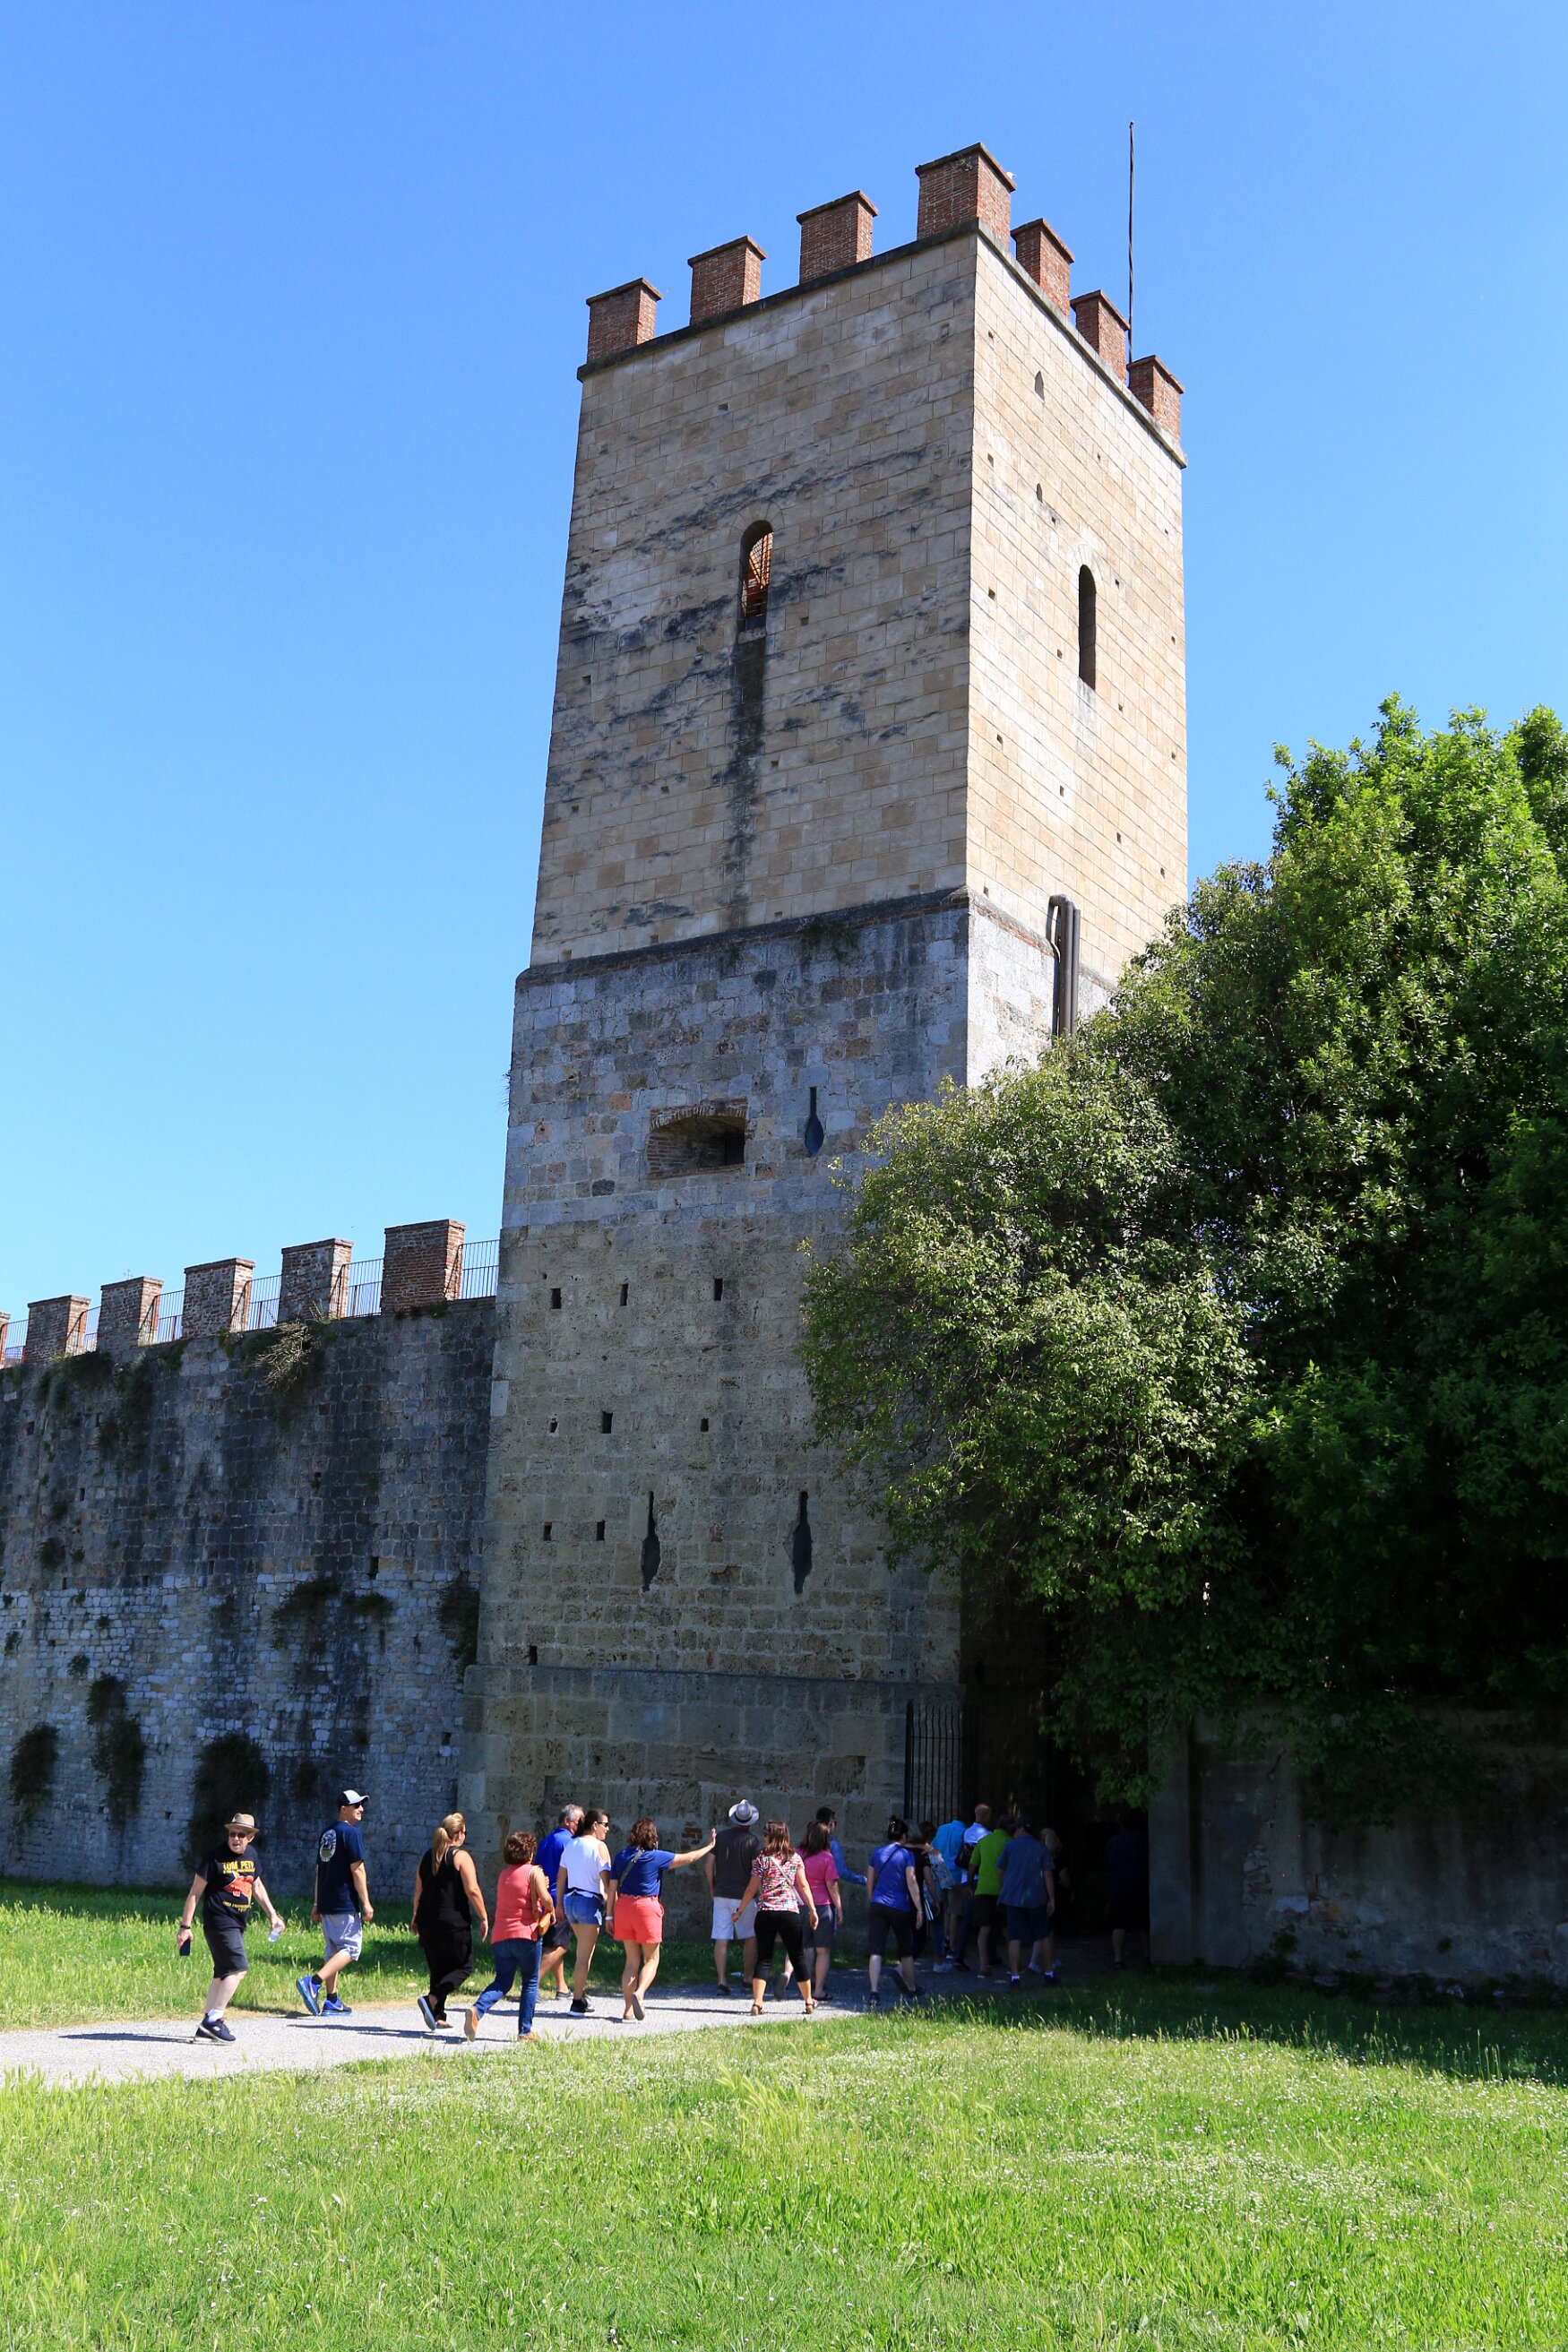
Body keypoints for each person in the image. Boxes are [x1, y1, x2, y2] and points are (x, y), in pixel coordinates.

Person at [177, 1810, 283, 2043]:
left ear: (250, 1837)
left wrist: (273, 1915)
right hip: (219, 1922)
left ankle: (206, 2025)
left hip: (237, 1923)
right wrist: (185, 1926)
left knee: (222, 1974)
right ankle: (214, 2020)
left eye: (241, 1835)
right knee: (238, 1969)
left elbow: (256, 1886)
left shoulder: (251, 1856)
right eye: (232, 1834)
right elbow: (195, 1893)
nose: (235, 1838)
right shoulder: (214, 1859)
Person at [608, 1817, 715, 2021]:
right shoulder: (657, 1857)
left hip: (624, 1906)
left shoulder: (622, 1855)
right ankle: (640, 1993)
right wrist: (709, 1846)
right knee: (652, 1959)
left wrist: (609, 1915)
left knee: (631, 1961)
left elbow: (612, 1888)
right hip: (647, 1907)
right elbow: (689, 1858)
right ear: (653, 1836)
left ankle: (628, 2010)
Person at [466, 1829, 554, 2043]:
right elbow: (546, 1900)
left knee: (503, 1981)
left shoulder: (503, 1875)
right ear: (529, 1852)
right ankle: (525, 2031)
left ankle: (477, 2010)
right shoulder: (534, 1872)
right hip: (526, 1935)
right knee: (530, 1982)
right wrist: (550, 1907)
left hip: (501, 1936)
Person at [297, 1787, 373, 2019]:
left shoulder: (327, 1833)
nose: (361, 1809)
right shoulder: (351, 1833)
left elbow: (319, 1870)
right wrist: (366, 1902)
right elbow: (357, 1869)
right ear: (343, 1809)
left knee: (334, 1952)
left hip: (328, 1901)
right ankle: (313, 1982)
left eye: (362, 1805)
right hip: (344, 1901)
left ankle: (332, 2001)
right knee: (351, 1948)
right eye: (356, 1805)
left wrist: (317, 1902)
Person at [411, 1811, 488, 2032]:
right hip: (452, 1922)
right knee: (464, 1967)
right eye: (465, 1832)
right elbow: (472, 1890)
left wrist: (415, 1916)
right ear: (459, 1833)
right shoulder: (461, 1857)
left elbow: (418, 1890)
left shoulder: (428, 1856)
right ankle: (432, 1999)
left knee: (439, 1968)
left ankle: (438, 2016)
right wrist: (484, 1917)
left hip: (427, 1920)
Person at [732, 1819, 817, 2015]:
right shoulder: (795, 1858)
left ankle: (757, 2003)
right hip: (789, 1912)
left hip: (766, 1912)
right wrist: (812, 1910)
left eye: (766, 1834)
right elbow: (803, 1885)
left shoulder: (762, 1859)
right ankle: (808, 2002)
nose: (763, 1837)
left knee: (764, 1958)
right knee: (798, 1957)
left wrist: (740, 1911)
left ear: (772, 1837)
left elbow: (751, 1888)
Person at [556, 1805, 612, 2014]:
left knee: (583, 1953)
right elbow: (607, 1882)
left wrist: (559, 1904)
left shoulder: (571, 1844)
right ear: (595, 1825)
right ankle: (577, 2001)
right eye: (605, 1825)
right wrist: (612, 1909)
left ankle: (581, 1994)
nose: (607, 1829)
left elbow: (561, 1877)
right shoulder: (599, 1847)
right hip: (589, 1901)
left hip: (571, 1901)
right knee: (583, 1956)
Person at [865, 1814, 922, 2004]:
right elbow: (912, 1882)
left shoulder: (877, 1853)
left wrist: (872, 1900)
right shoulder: (907, 1855)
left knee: (876, 1949)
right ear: (904, 1836)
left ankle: (874, 1991)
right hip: (899, 1906)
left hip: (878, 1904)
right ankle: (911, 1987)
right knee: (905, 1949)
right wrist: (919, 1908)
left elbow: (870, 1882)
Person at [707, 1799, 762, 1994]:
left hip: (721, 1893)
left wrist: (712, 1886)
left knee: (721, 1937)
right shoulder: (753, 1842)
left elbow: (709, 1864)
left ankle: (722, 1980)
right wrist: (760, 1893)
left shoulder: (721, 1838)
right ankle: (747, 1978)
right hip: (744, 1896)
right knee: (751, 1937)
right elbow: (756, 1872)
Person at [533, 1802, 582, 2003]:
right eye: (580, 1820)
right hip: (561, 1899)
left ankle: (562, 1987)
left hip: (545, 1898)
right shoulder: (570, 1843)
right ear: (568, 1821)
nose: (582, 1824)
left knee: (555, 1943)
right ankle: (531, 1984)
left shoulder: (548, 1840)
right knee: (561, 1946)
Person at [998, 1816, 1052, 1986]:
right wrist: (1052, 1898)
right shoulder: (1041, 1847)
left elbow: (1000, 1870)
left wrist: (1004, 1888)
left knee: (1014, 1937)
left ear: (1021, 1830)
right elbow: (1048, 1874)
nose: (1014, 1832)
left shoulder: (1010, 1846)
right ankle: (1049, 1973)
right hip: (1036, 1897)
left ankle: (1015, 1977)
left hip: (1014, 1898)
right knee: (1043, 1935)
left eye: (1016, 1829)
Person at [797, 1819, 842, 2003]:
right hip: (822, 1906)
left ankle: (806, 1988)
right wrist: (839, 1908)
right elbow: (832, 1885)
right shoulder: (827, 1858)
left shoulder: (797, 1854)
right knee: (823, 1951)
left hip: (801, 1905)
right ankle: (819, 1990)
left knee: (806, 1947)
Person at [968, 1808, 1012, 1981]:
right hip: (1004, 1891)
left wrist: (969, 1885)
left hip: (983, 1889)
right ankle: (1013, 1965)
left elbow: (972, 1865)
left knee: (984, 1929)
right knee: (1008, 1929)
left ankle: (983, 1966)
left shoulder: (984, 1841)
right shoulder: (1010, 1843)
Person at [1104, 1812, 1150, 1969]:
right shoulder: (1142, 1840)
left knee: (1119, 1925)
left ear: (1120, 1824)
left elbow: (1107, 1865)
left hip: (1119, 1888)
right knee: (1144, 1924)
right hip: (1140, 1886)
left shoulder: (1113, 1841)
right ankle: (1148, 1956)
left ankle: (1118, 1959)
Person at [930, 1812, 967, 1969]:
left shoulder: (941, 1829)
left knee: (945, 1909)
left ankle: (945, 1940)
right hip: (956, 1875)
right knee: (955, 1912)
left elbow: (933, 1848)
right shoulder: (964, 1832)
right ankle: (952, 1945)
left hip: (940, 1874)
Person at [1031, 1828, 1066, 1979]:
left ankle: (1052, 1959)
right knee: (1045, 1930)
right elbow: (1064, 1879)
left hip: (1038, 1893)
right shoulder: (1055, 1860)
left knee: (1048, 1929)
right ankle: (1035, 1961)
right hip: (1052, 1895)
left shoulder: (1036, 1855)